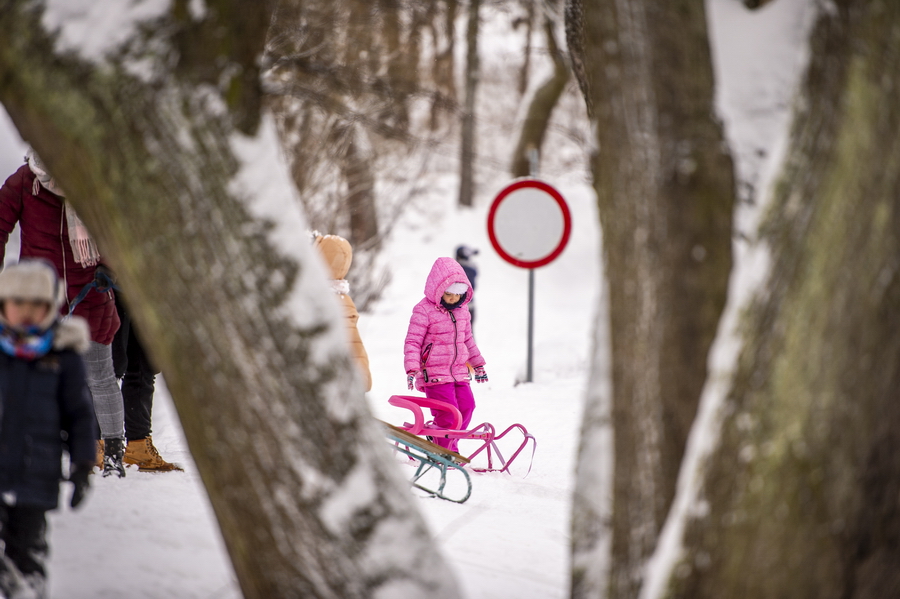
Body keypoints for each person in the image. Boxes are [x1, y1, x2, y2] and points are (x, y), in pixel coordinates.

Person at [0, 149, 127, 477]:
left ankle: (113, 452)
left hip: (90, 294)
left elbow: (118, 228)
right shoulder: (25, 182)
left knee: (100, 376)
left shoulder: (92, 185)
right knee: (33, 375)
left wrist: (108, 266)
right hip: (36, 303)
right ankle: (35, 447)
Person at [0, 260, 97, 599]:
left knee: (28, 553)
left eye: (37, 305)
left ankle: (28, 590)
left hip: (35, 476)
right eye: (18, 303)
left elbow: (80, 416)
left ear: (51, 308)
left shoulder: (63, 358)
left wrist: (84, 465)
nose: (27, 312)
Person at [403, 257, 488, 452]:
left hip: (459, 372)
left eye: (457, 295)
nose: (452, 299)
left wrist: (478, 364)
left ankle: (446, 442)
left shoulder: (462, 311)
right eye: (448, 294)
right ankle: (444, 450)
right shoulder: (424, 310)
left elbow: (468, 340)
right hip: (435, 374)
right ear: (438, 289)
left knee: (467, 407)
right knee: (448, 414)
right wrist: (412, 369)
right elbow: (413, 341)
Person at [111, 295, 182, 471]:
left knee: (145, 363)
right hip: (108, 290)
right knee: (109, 368)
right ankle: (99, 445)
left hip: (144, 291)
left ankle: (138, 446)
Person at [313, 234, 372, 391]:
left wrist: (360, 380)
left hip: (339, 385)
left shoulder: (334, 303)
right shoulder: (333, 299)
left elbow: (352, 346)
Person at [454, 245, 479, 325]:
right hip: (470, 307)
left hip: (456, 308)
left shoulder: (454, 269)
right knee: (468, 335)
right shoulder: (472, 269)